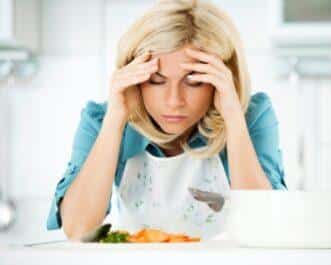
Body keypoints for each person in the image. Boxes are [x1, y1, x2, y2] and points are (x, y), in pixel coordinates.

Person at [46, 0, 287, 241]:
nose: (174, 101)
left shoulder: (251, 116)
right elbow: (77, 228)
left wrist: (233, 116)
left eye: (194, 82)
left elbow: (263, 226)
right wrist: (115, 120)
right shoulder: (101, 120)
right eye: (157, 81)